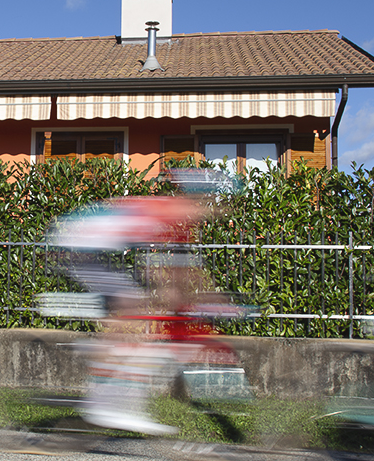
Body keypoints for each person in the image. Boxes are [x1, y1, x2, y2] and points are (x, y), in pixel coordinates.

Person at [46, 169, 237, 435]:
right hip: (80, 245)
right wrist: (197, 300)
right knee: (135, 311)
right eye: (219, 203)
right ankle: (108, 406)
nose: (219, 211)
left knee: (134, 315)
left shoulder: (178, 215)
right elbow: (161, 271)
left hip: (89, 243)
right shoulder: (176, 215)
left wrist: (203, 297)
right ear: (202, 199)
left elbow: (182, 271)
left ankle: (105, 387)